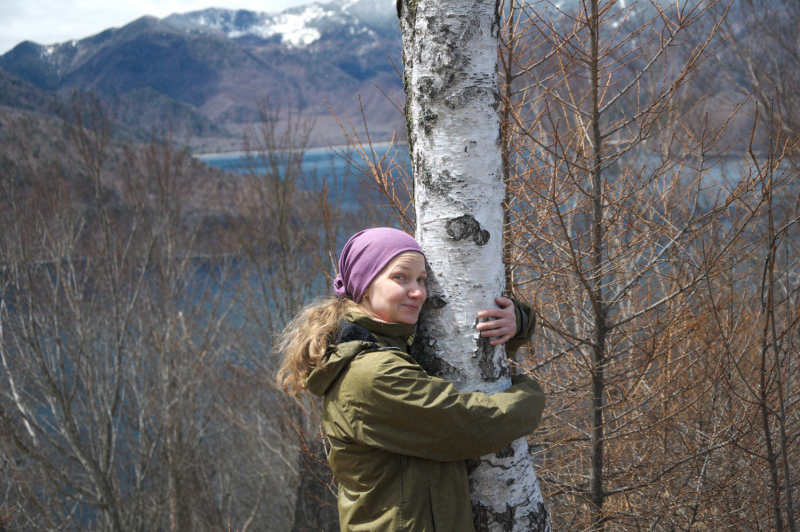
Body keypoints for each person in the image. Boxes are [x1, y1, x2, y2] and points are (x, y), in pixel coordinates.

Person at [276, 227, 545, 532]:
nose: (418, 292)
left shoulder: (390, 345)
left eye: (421, 280)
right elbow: (471, 425)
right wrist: (531, 393)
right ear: (364, 286)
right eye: (400, 277)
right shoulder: (371, 373)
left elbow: (457, 357)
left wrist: (516, 321)